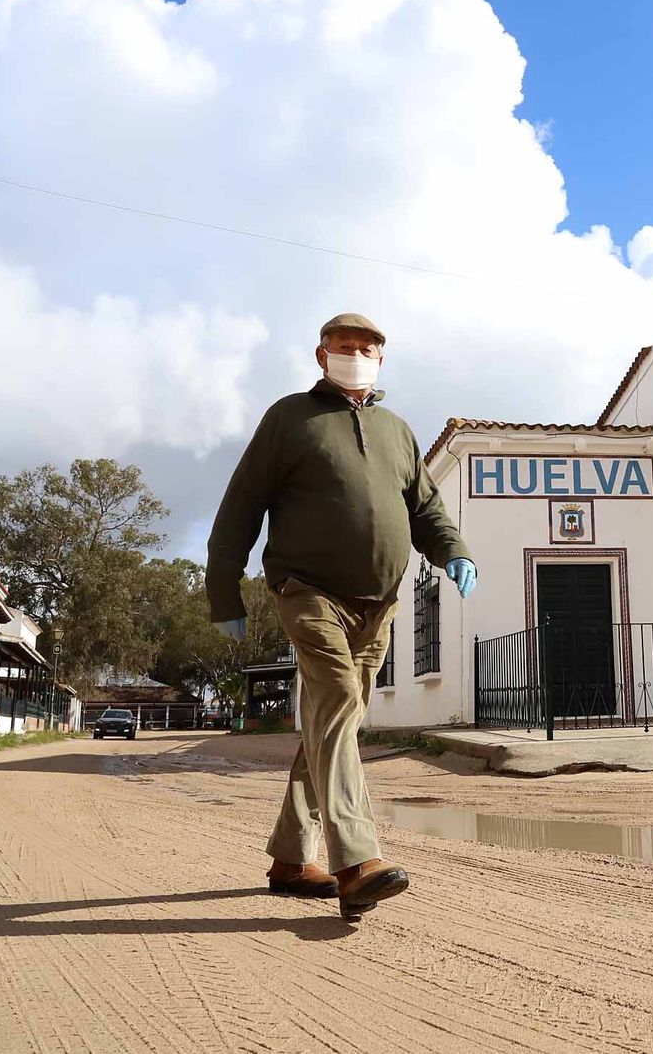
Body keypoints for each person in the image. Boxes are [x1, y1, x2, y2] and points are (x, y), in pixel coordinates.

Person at [205, 312, 475, 919]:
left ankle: (292, 858)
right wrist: (223, 594)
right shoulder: (290, 418)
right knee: (337, 698)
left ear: (382, 359)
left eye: (367, 348)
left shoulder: (398, 431)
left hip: (377, 605)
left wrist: (453, 551)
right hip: (309, 592)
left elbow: (426, 508)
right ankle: (357, 861)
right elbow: (240, 506)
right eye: (344, 346)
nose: (356, 355)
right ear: (321, 355)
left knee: (334, 720)